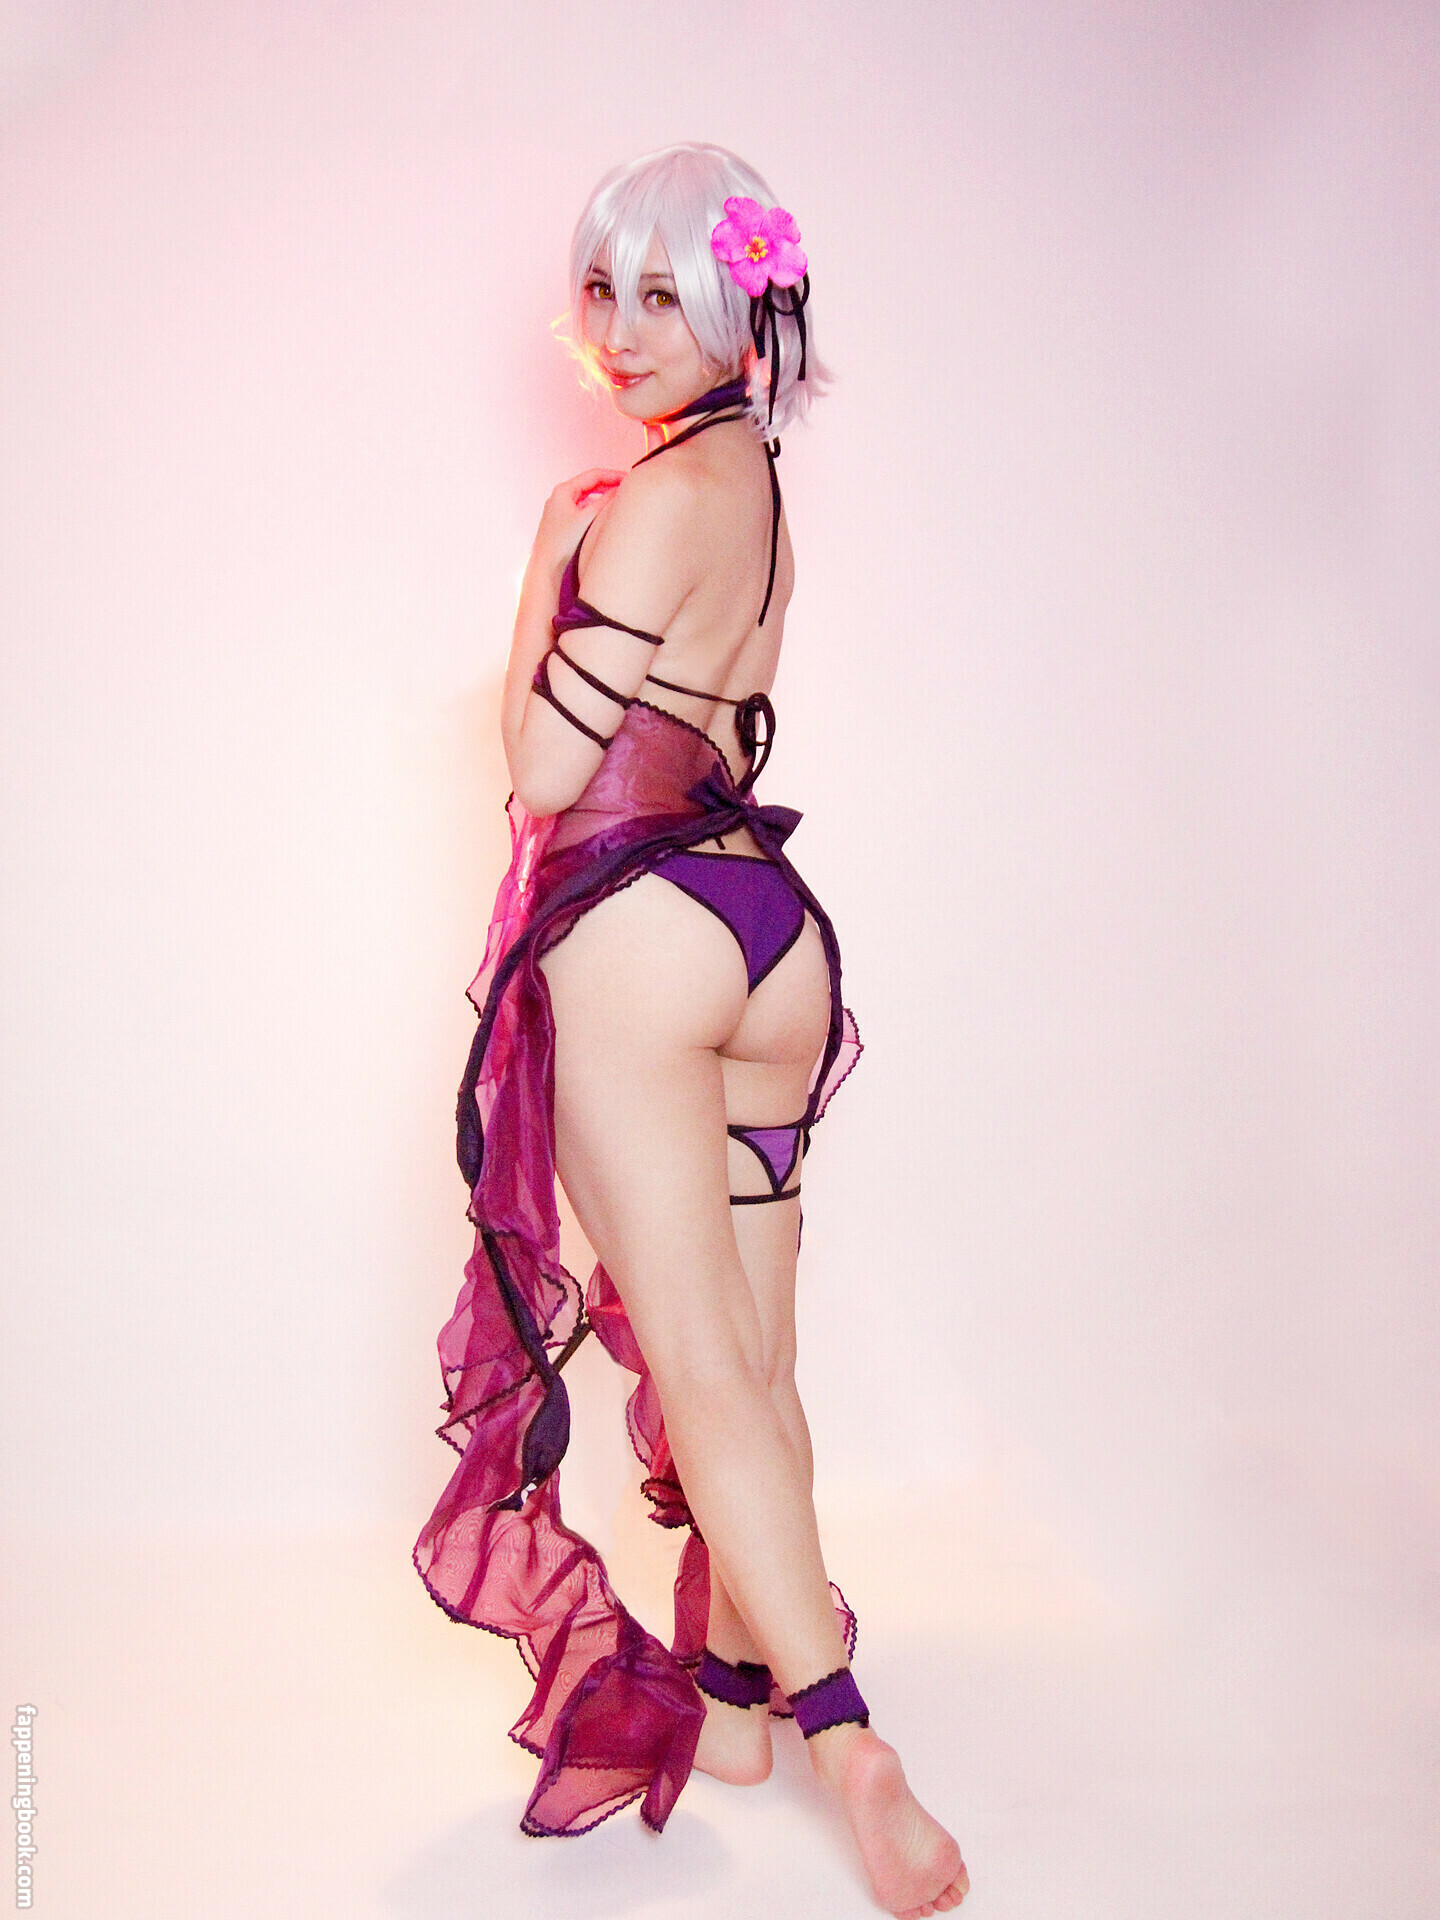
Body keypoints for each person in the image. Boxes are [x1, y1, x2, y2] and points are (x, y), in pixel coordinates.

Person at [414, 142, 969, 1917]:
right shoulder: (759, 492)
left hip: (644, 940)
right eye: (606, 287)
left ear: (738, 309)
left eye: (665, 291)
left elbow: (543, 770)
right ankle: (732, 1701)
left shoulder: (640, 502)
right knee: (755, 1356)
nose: (623, 325)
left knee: (710, 1367)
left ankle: (848, 1740)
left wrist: (544, 563)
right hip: (769, 940)